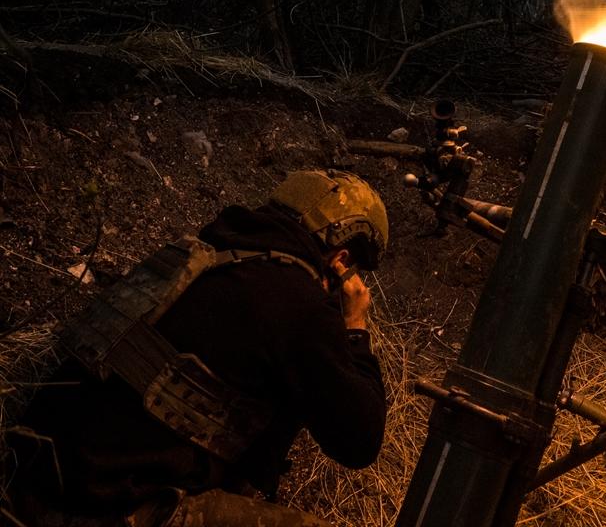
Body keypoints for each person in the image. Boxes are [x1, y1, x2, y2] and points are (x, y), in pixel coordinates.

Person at [3, 169, 390, 527]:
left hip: (32, 476)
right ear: (340, 260)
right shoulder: (297, 302)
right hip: (104, 509)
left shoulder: (200, 257)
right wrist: (355, 328)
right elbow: (359, 442)